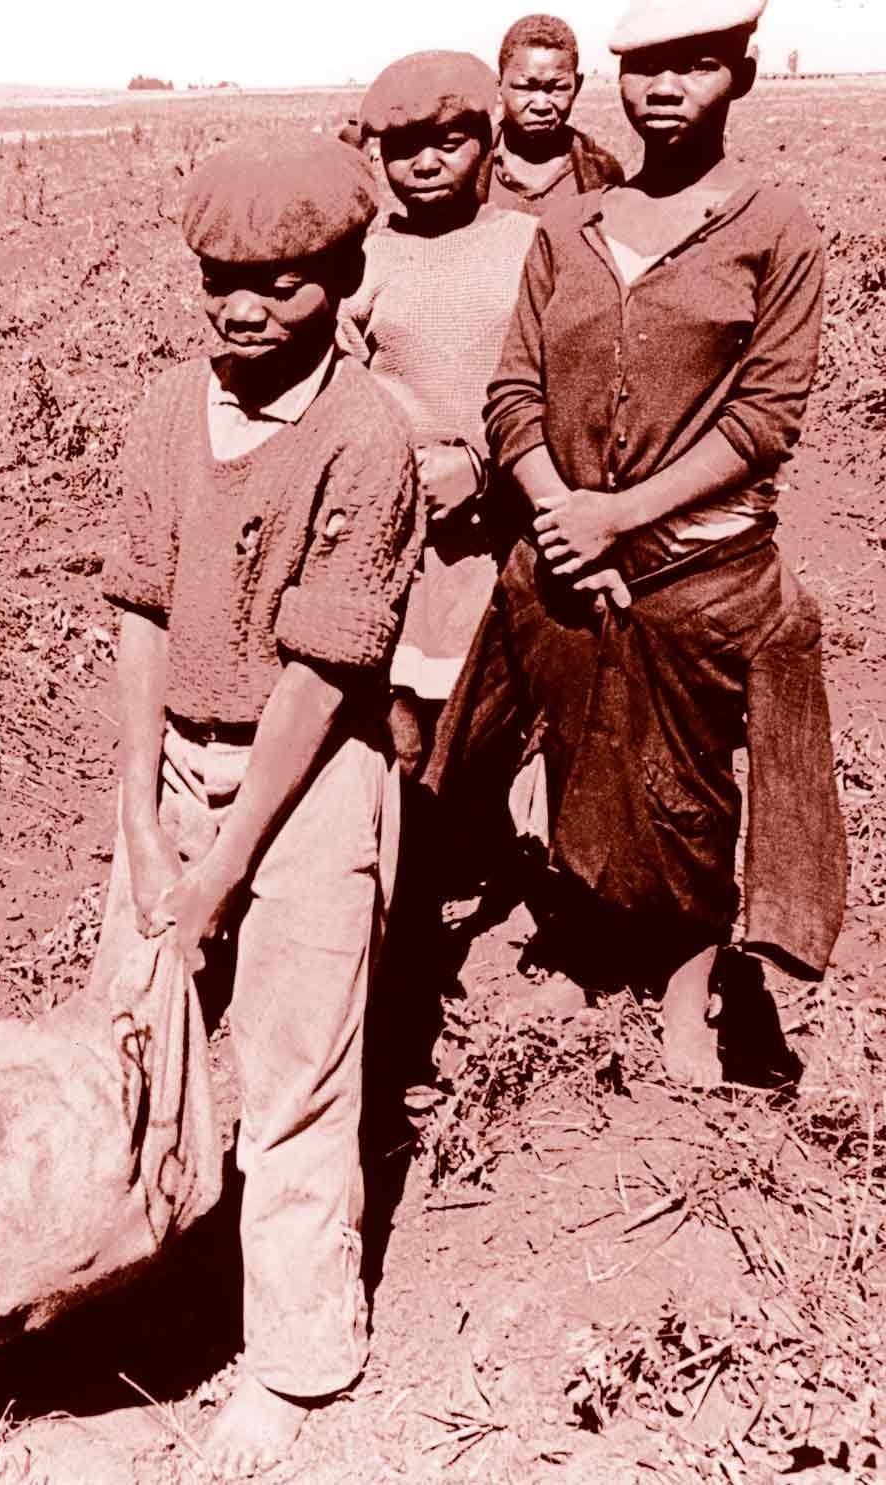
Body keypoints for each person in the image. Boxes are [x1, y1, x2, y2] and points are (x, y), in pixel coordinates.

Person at [427, 0, 847, 1085]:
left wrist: (621, 513)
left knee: (690, 781)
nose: (664, 90)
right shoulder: (567, 227)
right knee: (575, 751)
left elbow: (766, 419)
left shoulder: (772, 226)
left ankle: (685, 983)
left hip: (701, 565)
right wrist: (562, 510)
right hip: (568, 556)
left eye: (694, 67)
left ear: (740, 78)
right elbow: (512, 388)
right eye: (646, 69)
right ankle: (579, 939)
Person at [100, 134, 419, 1477]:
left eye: (281, 283)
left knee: (293, 1080)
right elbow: (140, 613)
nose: (241, 308)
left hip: (309, 775)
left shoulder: (366, 434)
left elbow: (322, 675)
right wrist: (136, 810)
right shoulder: (171, 412)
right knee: (131, 1048)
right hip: (173, 762)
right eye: (221, 278)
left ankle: (296, 1364)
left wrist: (218, 872)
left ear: (343, 278)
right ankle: (124, 1306)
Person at [350, 50, 539, 771]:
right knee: (399, 706)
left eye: (449, 142)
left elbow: (558, 383)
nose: (424, 164)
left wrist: (483, 470)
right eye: (401, 149)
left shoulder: (528, 246)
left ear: (490, 142)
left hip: (503, 508)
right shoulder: (364, 261)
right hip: (398, 517)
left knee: (498, 701)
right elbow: (344, 388)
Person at [487, 13, 626, 215]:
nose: (541, 105)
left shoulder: (601, 170)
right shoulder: (472, 164)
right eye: (525, 87)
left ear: (577, 86)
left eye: (557, 88)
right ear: (500, 86)